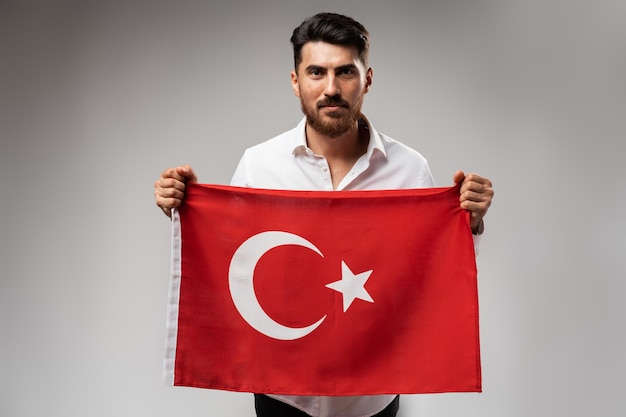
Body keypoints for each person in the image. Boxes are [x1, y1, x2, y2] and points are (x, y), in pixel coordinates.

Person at [154, 12, 494, 417]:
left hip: (372, 402)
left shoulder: (409, 168)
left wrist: (469, 220)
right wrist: (185, 209)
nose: (331, 88)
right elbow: (231, 257)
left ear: (367, 78)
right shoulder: (259, 164)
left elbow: (432, 268)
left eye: (345, 72)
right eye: (316, 72)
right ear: (296, 81)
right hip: (283, 398)